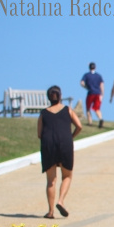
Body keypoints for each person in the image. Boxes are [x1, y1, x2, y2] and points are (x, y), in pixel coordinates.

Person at [37, 85, 83, 219]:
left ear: (48, 98)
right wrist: (71, 136)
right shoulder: (68, 110)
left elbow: (39, 134)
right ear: (60, 96)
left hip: (48, 145)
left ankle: (50, 212)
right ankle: (61, 201)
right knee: (67, 176)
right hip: (65, 143)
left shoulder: (43, 113)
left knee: (51, 180)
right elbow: (79, 126)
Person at [79, 62, 104, 127]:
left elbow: (82, 83)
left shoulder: (86, 75)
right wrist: (102, 94)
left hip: (90, 93)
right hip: (98, 93)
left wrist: (86, 87)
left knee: (88, 108)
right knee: (97, 108)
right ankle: (100, 119)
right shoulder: (99, 76)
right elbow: (102, 85)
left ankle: (90, 122)